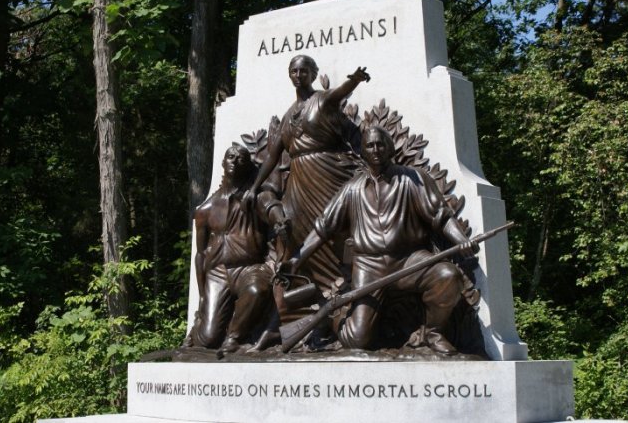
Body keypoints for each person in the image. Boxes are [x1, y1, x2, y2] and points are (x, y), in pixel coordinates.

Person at [285, 126, 478, 355]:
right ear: (363, 152)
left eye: (380, 144)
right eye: (369, 145)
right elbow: (323, 227)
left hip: (410, 260)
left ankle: (433, 333)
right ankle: (333, 315)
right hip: (370, 265)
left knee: (447, 276)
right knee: (356, 340)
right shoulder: (351, 189)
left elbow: (442, 216)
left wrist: (461, 240)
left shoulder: (413, 179)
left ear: (390, 147)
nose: (375, 149)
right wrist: (297, 258)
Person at [242, 55, 370, 295]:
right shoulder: (289, 115)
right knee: (298, 230)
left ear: (313, 74)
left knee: (336, 225)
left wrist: (355, 80)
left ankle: (351, 280)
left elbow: (339, 92)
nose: (298, 75)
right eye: (294, 71)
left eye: (303, 71)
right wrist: (254, 187)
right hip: (300, 179)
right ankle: (315, 288)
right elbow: (272, 156)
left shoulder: (322, 100)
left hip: (328, 170)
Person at [188, 144, 286, 355]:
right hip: (218, 273)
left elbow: (271, 206)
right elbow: (200, 254)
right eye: (230, 157)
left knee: (256, 290)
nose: (235, 161)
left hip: (249, 268)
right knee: (207, 338)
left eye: (241, 158)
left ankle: (234, 337)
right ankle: (200, 326)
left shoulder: (254, 196)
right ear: (223, 163)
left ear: (248, 165)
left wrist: (280, 220)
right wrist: (202, 295)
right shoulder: (204, 210)